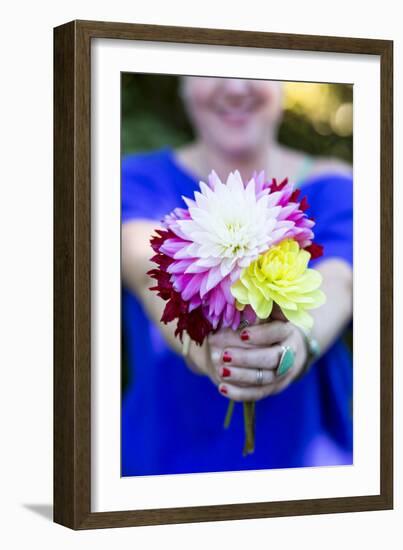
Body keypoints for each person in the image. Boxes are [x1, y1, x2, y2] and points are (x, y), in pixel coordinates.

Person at [121, 77, 353, 476]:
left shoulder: (336, 185)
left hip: (307, 467)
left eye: (253, 67)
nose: (235, 85)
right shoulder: (136, 179)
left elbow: (340, 281)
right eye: (211, 68)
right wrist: (199, 345)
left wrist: (295, 341)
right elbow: (147, 268)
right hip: (162, 463)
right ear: (182, 84)